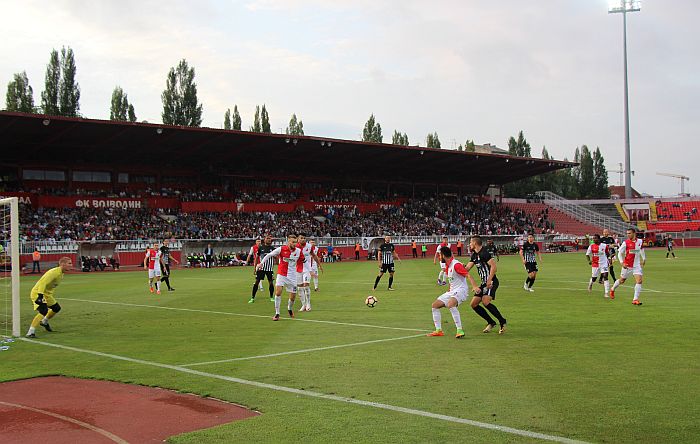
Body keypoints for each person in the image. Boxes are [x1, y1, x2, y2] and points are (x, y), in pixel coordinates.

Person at [465, 235, 507, 334]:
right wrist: (457, 266)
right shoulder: (474, 255)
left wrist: (489, 280)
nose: (469, 244)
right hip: (484, 283)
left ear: (475, 243)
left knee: (485, 301)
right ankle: (491, 322)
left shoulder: (485, 253)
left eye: (470, 242)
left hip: (492, 282)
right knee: (474, 304)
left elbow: (493, 267)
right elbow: (467, 268)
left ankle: (502, 321)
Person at [257, 233, 304, 320]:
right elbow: (269, 255)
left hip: (292, 277)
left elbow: (303, 260)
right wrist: (261, 263)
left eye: (295, 242)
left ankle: (289, 309)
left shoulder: (298, 251)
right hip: (282, 274)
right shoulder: (281, 249)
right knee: (278, 292)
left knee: (293, 297)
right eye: (293, 242)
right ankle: (277, 313)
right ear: (288, 242)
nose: (294, 244)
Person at [426, 247, 467, 339]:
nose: (439, 257)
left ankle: (459, 330)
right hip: (452, 291)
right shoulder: (448, 266)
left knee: (450, 304)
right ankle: (438, 330)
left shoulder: (455, 264)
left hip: (461, 290)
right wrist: (449, 289)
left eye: (440, 255)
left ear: (444, 255)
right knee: (435, 305)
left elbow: (467, 275)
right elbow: (452, 281)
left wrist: (475, 287)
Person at [26, 256, 72, 338]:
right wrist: (40, 296)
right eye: (69, 263)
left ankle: (44, 322)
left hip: (46, 294)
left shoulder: (61, 273)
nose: (71, 265)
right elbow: (42, 283)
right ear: (62, 264)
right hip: (38, 292)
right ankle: (30, 332)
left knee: (56, 308)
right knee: (43, 310)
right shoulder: (54, 272)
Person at [610, 228, 646, 305]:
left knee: (639, 281)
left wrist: (644, 259)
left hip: (636, 265)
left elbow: (641, 250)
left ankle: (635, 299)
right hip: (627, 265)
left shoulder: (640, 241)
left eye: (629, 233)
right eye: (627, 233)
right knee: (622, 280)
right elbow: (619, 253)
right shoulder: (625, 243)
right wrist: (622, 263)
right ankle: (612, 289)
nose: (628, 235)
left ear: (634, 233)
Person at [296, 234, 324, 311]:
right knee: (300, 288)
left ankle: (308, 304)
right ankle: (303, 305)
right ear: (298, 239)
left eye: (304, 238)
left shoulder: (309, 246)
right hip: (297, 269)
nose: (303, 239)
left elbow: (314, 256)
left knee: (306, 286)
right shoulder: (295, 247)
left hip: (307, 269)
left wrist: (319, 265)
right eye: (301, 238)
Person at [249, 234, 276, 303]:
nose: (269, 239)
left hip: (269, 269)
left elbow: (276, 258)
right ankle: (252, 298)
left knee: (271, 282)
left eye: (270, 238)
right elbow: (257, 258)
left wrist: (274, 268)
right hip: (261, 268)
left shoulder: (273, 248)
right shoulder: (261, 248)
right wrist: (255, 268)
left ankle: (271, 297)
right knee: (257, 282)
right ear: (264, 240)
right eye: (267, 238)